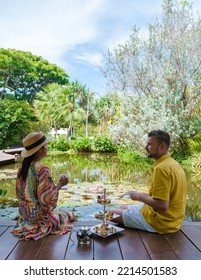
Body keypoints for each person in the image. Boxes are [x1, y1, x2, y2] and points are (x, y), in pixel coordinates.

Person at [110, 130, 187, 234]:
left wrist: (139, 196)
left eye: (150, 144)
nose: (146, 147)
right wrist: (142, 195)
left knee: (110, 213)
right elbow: (166, 197)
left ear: (161, 147)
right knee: (123, 207)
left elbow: (162, 205)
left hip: (162, 223)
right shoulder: (173, 164)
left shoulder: (161, 168)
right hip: (174, 219)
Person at [12, 131, 76, 240]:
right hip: (38, 220)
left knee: (61, 213)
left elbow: (19, 193)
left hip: (24, 217)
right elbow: (46, 202)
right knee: (66, 215)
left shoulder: (21, 167)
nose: (47, 147)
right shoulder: (42, 169)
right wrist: (60, 185)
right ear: (40, 149)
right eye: (45, 145)